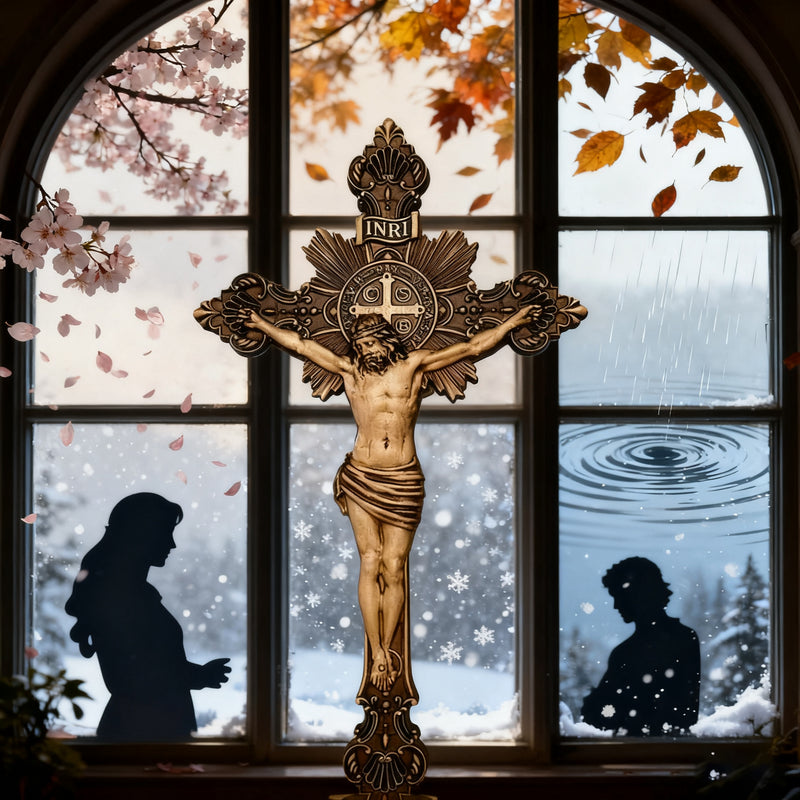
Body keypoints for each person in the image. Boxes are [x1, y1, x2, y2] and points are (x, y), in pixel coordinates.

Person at [244, 307, 535, 691]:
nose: (365, 350)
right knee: (369, 559)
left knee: (394, 565)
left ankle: (387, 648)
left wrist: (512, 324)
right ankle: (380, 651)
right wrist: (263, 324)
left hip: (402, 477)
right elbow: (301, 345)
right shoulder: (350, 372)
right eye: (359, 345)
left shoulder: (414, 366)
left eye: (370, 342)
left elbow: (471, 347)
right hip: (362, 474)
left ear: (386, 339)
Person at [65, 493, 231, 741]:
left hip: (148, 730)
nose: (172, 545)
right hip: (142, 734)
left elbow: (149, 667)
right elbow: (131, 678)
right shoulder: (120, 598)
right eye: (166, 533)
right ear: (141, 535)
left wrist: (199, 676)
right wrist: (197, 677)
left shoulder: (131, 595)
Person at [581, 556, 700, 736]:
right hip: (659, 751)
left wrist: (604, 708)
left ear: (639, 594)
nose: (615, 606)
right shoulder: (684, 638)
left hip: (643, 751)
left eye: (619, 596)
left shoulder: (625, 654)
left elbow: (602, 713)